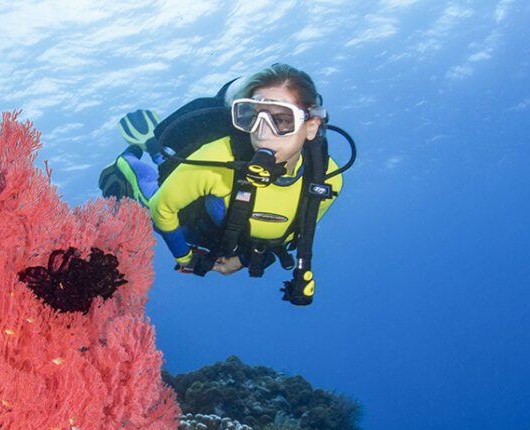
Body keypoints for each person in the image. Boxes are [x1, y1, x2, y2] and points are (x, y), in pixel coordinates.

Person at [99, 64, 352, 304]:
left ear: (310, 127)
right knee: (152, 199)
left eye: (282, 119)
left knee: (180, 177)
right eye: (252, 116)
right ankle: (132, 159)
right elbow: (161, 209)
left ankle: (158, 150)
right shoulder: (217, 158)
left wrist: (244, 259)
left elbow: (294, 230)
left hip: (236, 237)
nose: (262, 133)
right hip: (200, 225)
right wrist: (185, 257)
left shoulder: (328, 179)